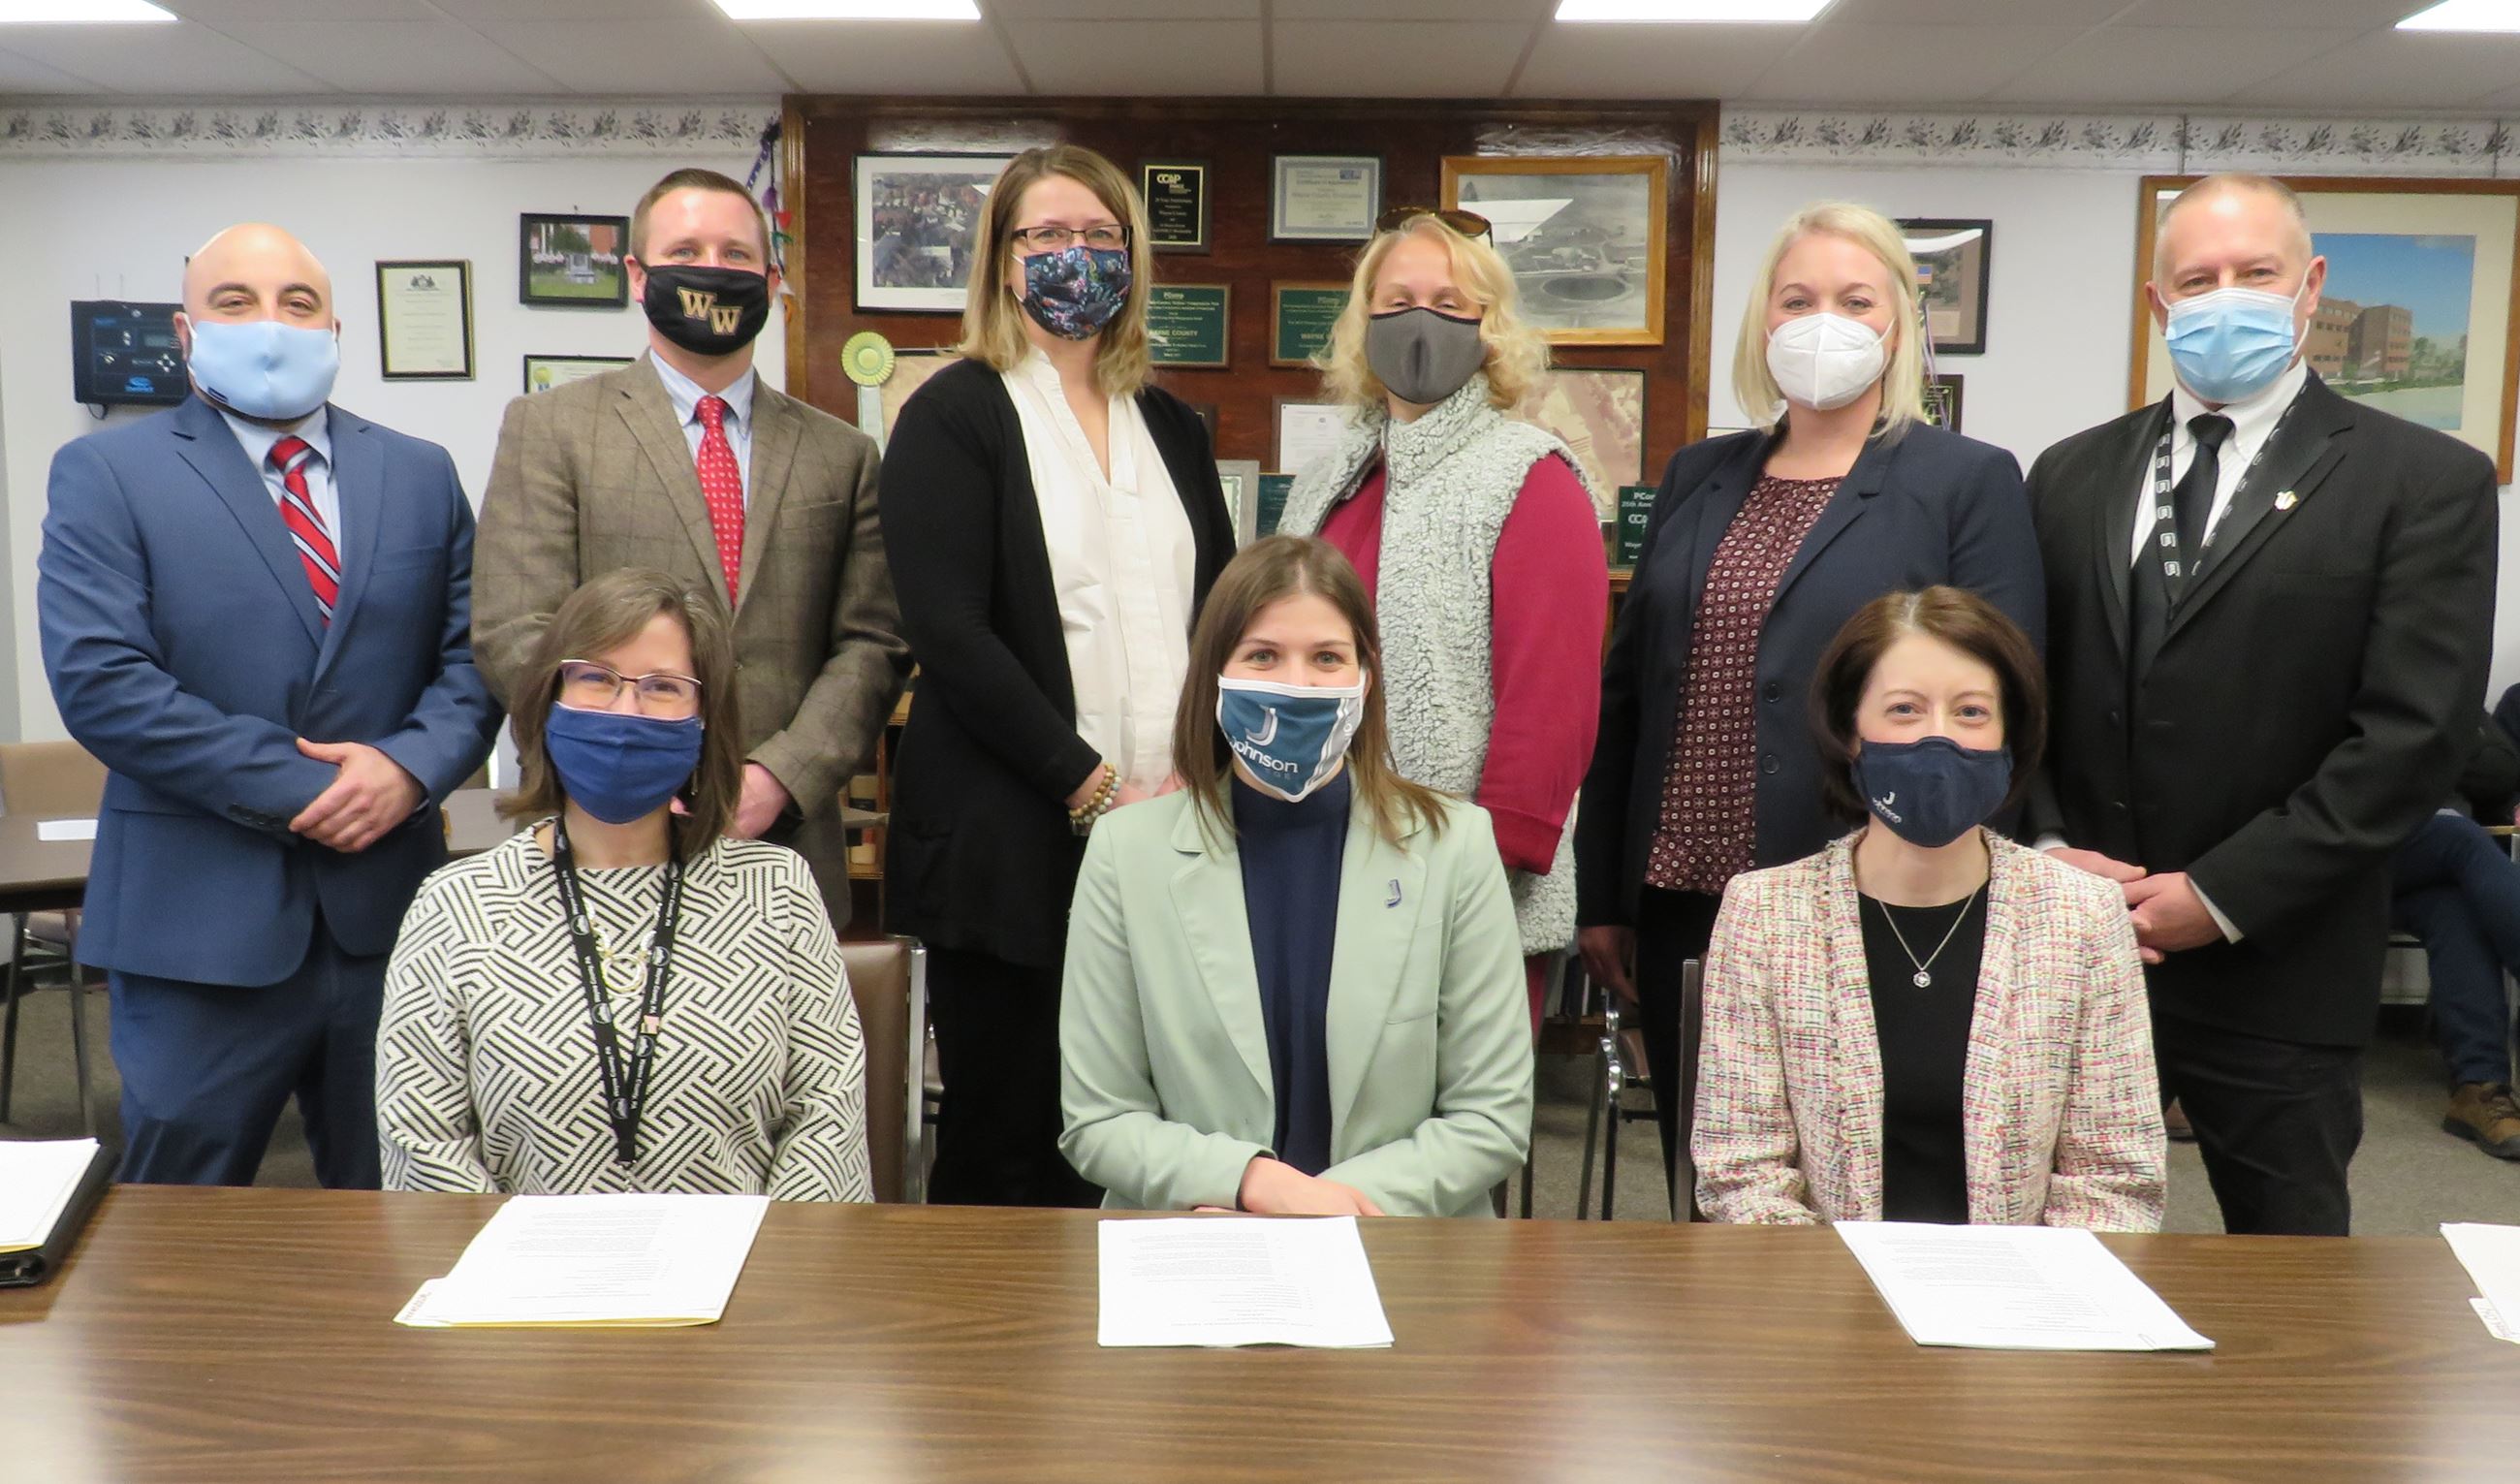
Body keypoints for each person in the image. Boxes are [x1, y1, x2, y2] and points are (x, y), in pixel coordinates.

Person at [2028, 173, 2497, 1236]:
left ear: (2308, 285)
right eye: (2196, 279)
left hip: (2279, 960)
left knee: (2289, 1286)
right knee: (2041, 1257)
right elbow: (2027, 693)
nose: (2223, 297)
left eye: (2255, 273)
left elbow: (2410, 738)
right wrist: (2049, 847)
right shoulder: (2068, 474)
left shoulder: (2421, 480)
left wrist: (2221, 893)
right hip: (2078, 948)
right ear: (2158, 305)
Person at [1575, 202, 2044, 1198]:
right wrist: (1603, 894)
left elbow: (1998, 704)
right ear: (1762, 321)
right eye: (1796, 298)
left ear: (1895, 325)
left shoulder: (1963, 481)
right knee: (1707, 1178)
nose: (1819, 318)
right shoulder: (1700, 472)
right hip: (1680, 899)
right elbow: (1629, 690)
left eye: (1851, 297)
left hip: (1863, 888)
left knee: (1855, 1174)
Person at [37, 223, 499, 1187]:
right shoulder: (108, 473)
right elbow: (104, 684)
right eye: (235, 302)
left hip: (389, 919)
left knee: (403, 1210)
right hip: (196, 924)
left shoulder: (419, 472)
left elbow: (473, 662)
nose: (271, 325)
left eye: (296, 303)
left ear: (334, 324)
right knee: (182, 1228)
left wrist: (407, 769)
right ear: (186, 328)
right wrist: (316, 787)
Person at [880, 145, 1236, 1208]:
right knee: (1012, 1131)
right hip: (1011, 839)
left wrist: (1197, 774)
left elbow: (1219, 614)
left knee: (1152, 1125)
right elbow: (949, 631)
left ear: (1131, 259)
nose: (1071, 257)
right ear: (999, 260)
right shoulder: (953, 412)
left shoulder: (1170, 424)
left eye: (1098, 236)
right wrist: (1086, 781)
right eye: (1043, 236)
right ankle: (989, 1366)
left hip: (1169, 831)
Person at [474, 166, 907, 932]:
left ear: (772, 282)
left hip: (785, 841)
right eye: (687, 249)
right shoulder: (552, 429)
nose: (713, 269)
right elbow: (516, 630)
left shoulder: (842, 453)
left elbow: (871, 642)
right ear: (637, 275)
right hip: (599, 829)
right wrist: (638, 755)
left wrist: (780, 772)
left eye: (737, 255)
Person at [1060, 537, 1533, 1216]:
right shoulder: (1125, 851)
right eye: (1263, 655)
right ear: (1214, 673)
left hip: (1399, 1247)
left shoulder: (1454, 846)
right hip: (1196, 1240)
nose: (1296, 685)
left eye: (1327, 658)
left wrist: (1328, 1210)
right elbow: (1099, 1119)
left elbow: (1491, 1116)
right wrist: (1254, 1183)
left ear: (1365, 677)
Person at [378, 569, 870, 1200]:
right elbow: (421, 1141)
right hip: (516, 1286)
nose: (625, 710)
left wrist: (767, 1275)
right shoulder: (456, 907)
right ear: (547, 696)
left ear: (704, 720)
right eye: (596, 678)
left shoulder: (778, 893)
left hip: (745, 1281)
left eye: (663, 687)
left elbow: (827, 1121)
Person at [1694, 587, 2162, 1229]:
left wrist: (2025, 1309)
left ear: (2010, 734)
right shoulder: (1765, 914)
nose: (1938, 736)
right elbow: (1741, 1176)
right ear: (1850, 729)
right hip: (1826, 1302)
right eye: (1905, 709)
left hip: (2023, 1309)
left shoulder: (2082, 917)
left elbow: (2115, 1181)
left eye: (1971, 711)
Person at [1276, 207, 1607, 1033]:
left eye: (1451, 302)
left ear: (1489, 329)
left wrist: (1467, 876)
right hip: (1307, 866)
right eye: (1397, 300)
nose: (1421, 320)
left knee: (1433, 1148)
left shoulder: (1531, 476)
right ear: (1363, 323)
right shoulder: (1325, 482)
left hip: (1464, 893)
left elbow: (1550, 708)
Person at [2388, 711, 2520, 1158]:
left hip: (2420, 868)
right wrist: (2441, 743)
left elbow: (2500, 771)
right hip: (2343, 849)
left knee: (2455, 909)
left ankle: (2479, 1086)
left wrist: (2435, 739)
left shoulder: (2443, 690)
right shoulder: (2336, 674)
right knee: (2461, 836)